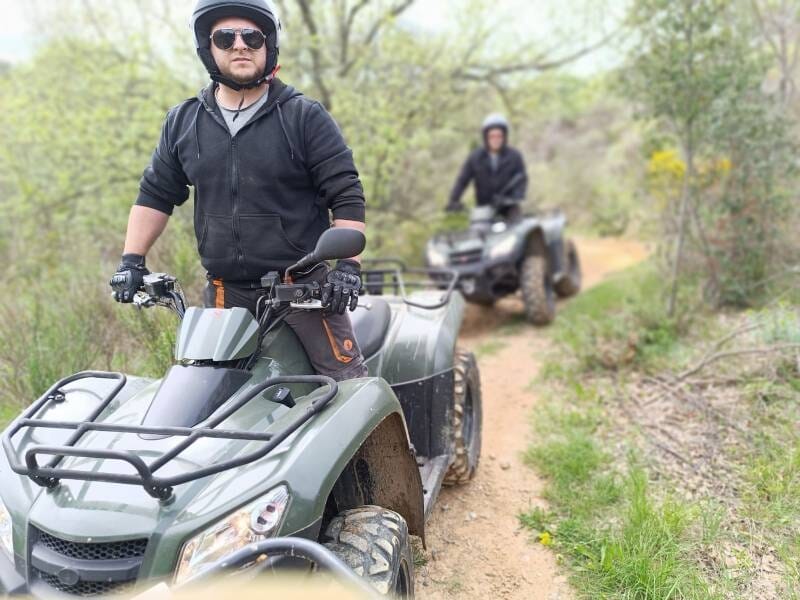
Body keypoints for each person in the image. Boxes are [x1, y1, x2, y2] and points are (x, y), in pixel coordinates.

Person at [110, 0, 368, 381]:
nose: (240, 45)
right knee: (202, 394)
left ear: (268, 45)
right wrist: (131, 260)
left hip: (302, 291)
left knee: (350, 392)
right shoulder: (184, 121)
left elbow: (346, 193)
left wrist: (347, 268)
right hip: (223, 294)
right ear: (208, 48)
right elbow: (155, 194)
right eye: (225, 37)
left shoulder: (303, 116)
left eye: (252, 36)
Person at [446, 113, 528, 220]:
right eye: (492, 136)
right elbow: (462, 180)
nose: (496, 140)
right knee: (478, 233)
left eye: (499, 136)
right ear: (486, 137)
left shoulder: (515, 156)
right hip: (483, 210)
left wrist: (514, 197)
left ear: (504, 137)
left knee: (517, 232)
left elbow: (522, 179)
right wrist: (453, 200)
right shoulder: (475, 157)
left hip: (509, 209)